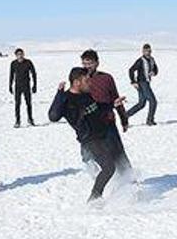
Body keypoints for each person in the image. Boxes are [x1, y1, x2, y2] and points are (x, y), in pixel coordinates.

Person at [49, 67, 125, 202]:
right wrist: (59, 94)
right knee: (108, 168)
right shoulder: (66, 99)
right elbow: (53, 116)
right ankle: (94, 198)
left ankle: (127, 189)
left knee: (119, 161)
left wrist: (112, 104)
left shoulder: (86, 95)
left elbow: (97, 108)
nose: (90, 83)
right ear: (77, 82)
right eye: (87, 81)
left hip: (104, 135)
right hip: (90, 140)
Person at [80, 49, 132, 176]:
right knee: (89, 156)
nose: (87, 67)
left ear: (97, 63)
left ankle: (130, 180)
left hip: (107, 121)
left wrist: (123, 119)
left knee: (118, 153)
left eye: (89, 63)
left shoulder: (106, 78)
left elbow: (116, 98)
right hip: (89, 125)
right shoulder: (80, 79)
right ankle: (102, 181)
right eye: (84, 64)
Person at [127, 43, 159, 125]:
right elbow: (131, 70)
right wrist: (133, 82)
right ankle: (150, 120)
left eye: (149, 51)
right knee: (153, 101)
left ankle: (125, 116)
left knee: (141, 104)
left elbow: (156, 69)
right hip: (141, 83)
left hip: (147, 83)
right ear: (143, 51)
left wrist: (154, 72)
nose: (148, 52)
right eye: (146, 51)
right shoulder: (140, 61)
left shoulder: (152, 60)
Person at [8, 47, 37, 127]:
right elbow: (11, 75)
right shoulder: (13, 63)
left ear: (23, 54)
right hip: (18, 86)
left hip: (26, 86)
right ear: (16, 56)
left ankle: (30, 119)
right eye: (18, 55)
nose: (20, 56)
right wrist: (10, 86)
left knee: (28, 103)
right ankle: (17, 121)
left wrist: (35, 85)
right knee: (17, 104)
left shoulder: (28, 62)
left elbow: (34, 74)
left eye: (21, 54)